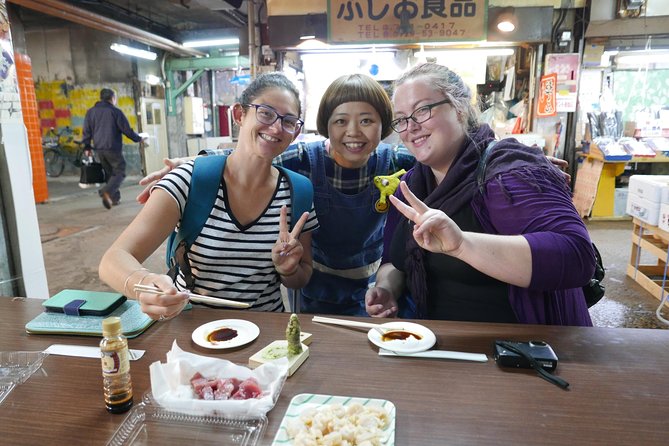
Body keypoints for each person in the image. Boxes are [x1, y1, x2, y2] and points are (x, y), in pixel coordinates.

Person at [136, 74, 416, 316]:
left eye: (367, 120)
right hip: (310, 288)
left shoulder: (397, 162)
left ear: (385, 125)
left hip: (368, 288)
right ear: (326, 127)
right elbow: (249, 156)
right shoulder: (306, 158)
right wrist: (193, 164)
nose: (353, 132)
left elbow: (435, 158)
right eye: (341, 121)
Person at [365, 62, 595, 326]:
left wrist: (463, 244)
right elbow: (395, 261)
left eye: (423, 110)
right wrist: (386, 289)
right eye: (402, 118)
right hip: (438, 347)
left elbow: (576, 256)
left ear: (460, 108)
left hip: (523, 350)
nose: (411, 127)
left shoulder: (508, 171)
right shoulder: (411, 184)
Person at [99, 73, 318, 320]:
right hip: (191, 331)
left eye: (289, 121)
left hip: (265, 337)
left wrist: (287, 270)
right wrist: (144, 284)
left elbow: (302, 275)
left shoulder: (298, 192)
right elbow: (113, 259)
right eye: (265, 113)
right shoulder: (189, 181)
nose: (277, 127)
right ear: (239, 115)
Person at [82, 88, 145, 209]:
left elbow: (86, 130)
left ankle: (114, 198)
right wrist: (138, 138)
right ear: (112, 98)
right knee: (120, 170)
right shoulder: (115, 112)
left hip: (99, 148)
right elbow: (126, 129)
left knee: (110, 173)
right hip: (112, 147)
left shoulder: (91, 112)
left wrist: (87, 146)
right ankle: (106, 191)